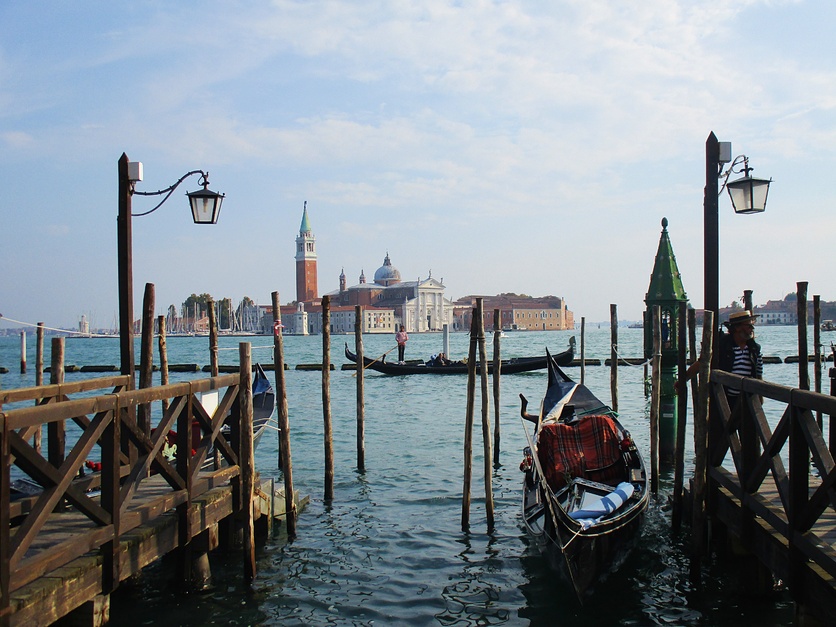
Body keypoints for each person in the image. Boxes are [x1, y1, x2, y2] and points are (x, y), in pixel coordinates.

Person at [676, 310, 763, 407]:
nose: (752, 328)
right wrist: (684, 379)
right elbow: (702, 363)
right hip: (726, 399)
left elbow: (758, 373)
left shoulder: (754, 348)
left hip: (748, 400)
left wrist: (760, 397)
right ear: (738, 328)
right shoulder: (722, 346)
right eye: (749, 326)